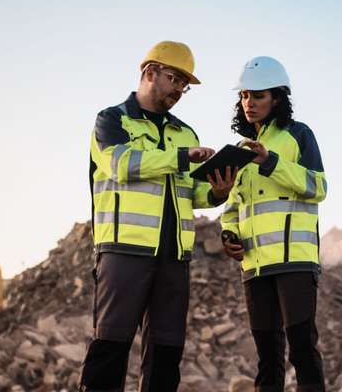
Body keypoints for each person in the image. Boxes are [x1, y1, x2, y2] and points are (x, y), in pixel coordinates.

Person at [80, 41, 236, 392]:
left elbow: (192, 192)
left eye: (185, 85)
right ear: (150, 72)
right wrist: (182, 157)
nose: (180, 90)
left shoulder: (185, 132)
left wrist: (217, 191)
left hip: (174, 258)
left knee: (167, 354)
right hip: (124, 252)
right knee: (110, 348)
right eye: (174, 79)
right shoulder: (112, 120)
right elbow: (123, 165)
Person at [221, 56, 328, 392]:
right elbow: (234, 204)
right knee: (268, 357)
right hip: (254, 265)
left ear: (278, 97)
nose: (249, 103)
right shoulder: (240, 149)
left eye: (258, 96)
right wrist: (228, 232)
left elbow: (317, 187)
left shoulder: (299, 135)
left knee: (302, 350)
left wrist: (271, 161)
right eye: (244, 96)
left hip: (294, 260)